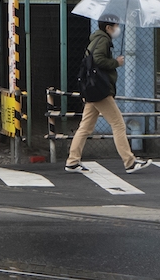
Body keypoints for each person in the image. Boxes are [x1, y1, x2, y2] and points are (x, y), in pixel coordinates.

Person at [65, 18, 152, 174]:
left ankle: (72, 161)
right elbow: (98, 60)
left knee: (85, 127)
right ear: (108, 27)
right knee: (118, 124)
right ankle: (129, 162)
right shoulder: (103, 41)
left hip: (93, 90)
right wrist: (115, 62)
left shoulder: (96, 39)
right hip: (100, 91)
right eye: (116, 26)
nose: (118, 28)